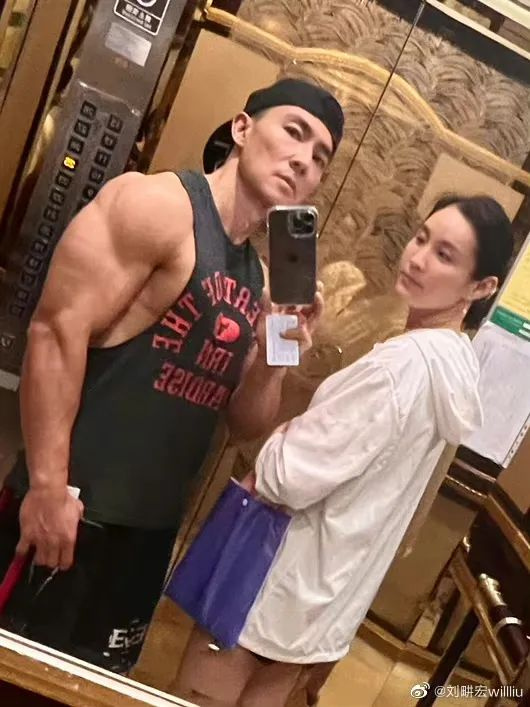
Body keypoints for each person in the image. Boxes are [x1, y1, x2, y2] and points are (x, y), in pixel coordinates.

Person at [0, 78, 344, 673]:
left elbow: (245, 425)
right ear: (242, 129)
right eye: (294, 132)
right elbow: (56, 332)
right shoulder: (157, 206)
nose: (303, 161)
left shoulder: (262, 280)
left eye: (319, 158)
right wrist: (48, 487)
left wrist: (274, 355)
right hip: (71, 509)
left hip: (148, 535)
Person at [174, 194, 514, 706]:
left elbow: (287, 476)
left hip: (267, 579)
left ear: (481, 286)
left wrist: (283, 439)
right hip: (324, 601)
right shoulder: (454, 369)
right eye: (421, 239)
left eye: (445, 255)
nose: (418, 258)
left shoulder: (399, 367)